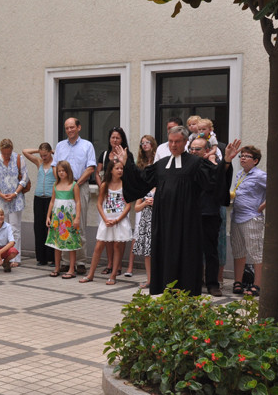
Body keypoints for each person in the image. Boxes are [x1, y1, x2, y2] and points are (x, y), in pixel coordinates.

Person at [117, 126, 235, 295]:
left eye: (177, 141)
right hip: (164, 222)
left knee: (187, 256)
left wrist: (227, 162)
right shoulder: (161, 165)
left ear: (186, 142)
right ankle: (165, 289)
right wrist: (126, 163)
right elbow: (141, 179)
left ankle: (188, 293)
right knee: (166, 254)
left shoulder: (196, 163)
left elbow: (214, 179)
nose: (173, 145)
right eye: (171, 141)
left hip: (188, 222)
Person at [188, 137, 234, 297]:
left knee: (211, 252)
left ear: (207, 151)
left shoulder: (212, 166)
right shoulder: (185, 166)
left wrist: (226, 160)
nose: (193, 152)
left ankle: (212, 284)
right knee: (191, 250)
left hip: (209, 214)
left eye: (197, 149)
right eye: (191, 149)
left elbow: (219, 177)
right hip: (190, 215)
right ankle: (193, 281)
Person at [51, 118, 95, 274]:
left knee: (78, 225)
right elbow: (55, 166)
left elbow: (90, 168)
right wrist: (62, 183)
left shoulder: (87, 145)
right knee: (62, 225)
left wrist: (74, 184)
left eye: (72, 127)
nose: (69, 130)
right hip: (62, 189)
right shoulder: (60, 146)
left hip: (79, 186)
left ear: (79, 127)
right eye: (67, 128)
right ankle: (65, 262)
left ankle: (81, 262)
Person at [79, 160, 132, 285]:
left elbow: (128, 205)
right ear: (111, 170)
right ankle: (90, 274)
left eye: (121, 169)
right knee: (98, 247)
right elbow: (99, 203)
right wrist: (105, 218)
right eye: (117, 168)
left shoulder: (125, 185)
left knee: (117, 247)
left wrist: (118, 220)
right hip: (107, 220)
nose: (120, 171)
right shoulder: (105, 185)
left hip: (119, 221)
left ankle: (113, 275)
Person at [95, 128, 134, 275]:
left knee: (120, 236)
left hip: (120, 199)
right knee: (107, 233)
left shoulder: (127, 155)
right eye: (113, 137)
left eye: (118, 138)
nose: (115, 140)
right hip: (106, 199)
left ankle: (118, 266)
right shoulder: (104, 155)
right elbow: (98, 173)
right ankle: (110, 263)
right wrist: (102, 188)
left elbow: (130, 173)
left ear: (122, 140)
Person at [230, 145, 266, 296]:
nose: (242, 158)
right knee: (238, 251)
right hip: (237, 217)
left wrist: (262, 206)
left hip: (252, 217)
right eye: (241, 156)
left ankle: (258, 284)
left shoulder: (260, 175)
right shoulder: (240, 174)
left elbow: (276, 189)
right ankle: (238, 281)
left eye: (247, 156)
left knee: (256, 252)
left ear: (255, 160)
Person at [0, 139, 29, 265]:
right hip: (0, 200)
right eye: (4, 153)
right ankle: (2, 256)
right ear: (1, 150)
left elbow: (24, 177)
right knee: (1, 229)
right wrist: (0, 193)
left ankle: (15, 257)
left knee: (14, 228)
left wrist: (15, 193)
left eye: (9, 153)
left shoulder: (18, 158)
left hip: (15, 200)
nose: (7, 156)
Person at [127, 135, 157, 280]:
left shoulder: (158, 159)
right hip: (144, 211)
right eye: (142, 143)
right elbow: (137, 206)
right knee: (140, 237)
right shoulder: (140, 163)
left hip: (157, 217)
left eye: (147, 142)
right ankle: (133, 269)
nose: (145, 145)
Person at [45, 160, 81, 278]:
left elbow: (78, 202)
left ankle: (71, 269)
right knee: (57, 243)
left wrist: (77, 218)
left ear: (68, 171)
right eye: (59, 171)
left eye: (63, 171)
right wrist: (48, 216)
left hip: (69, 218)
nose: (61, 173)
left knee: (71, 243)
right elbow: (52, 201)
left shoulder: (73, 185)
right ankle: (57, 267)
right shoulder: (56, 185)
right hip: (57, 218)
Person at [23, 143, 56, 266]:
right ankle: (41, 258)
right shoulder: (39, 162)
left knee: (51, 228)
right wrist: (38, 150)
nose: (43, 157)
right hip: (39, 198)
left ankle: (52, 257)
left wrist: (53, 152)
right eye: (42, 155)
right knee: (39, 227)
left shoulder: (55, 163)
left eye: (46, 155)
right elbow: (25, 151)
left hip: (50, 198)